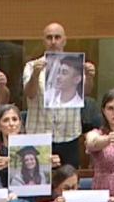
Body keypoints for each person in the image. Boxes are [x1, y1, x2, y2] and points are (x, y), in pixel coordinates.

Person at [23, 23, 96, 168]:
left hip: (69, 135)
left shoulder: (76, 65)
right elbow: (29, 94)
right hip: (39, 135)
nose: (54, 41)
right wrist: (36, 74)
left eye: (57, 37)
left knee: (69, 181)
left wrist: (90, 76)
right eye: (49, 38)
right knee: (39, 183)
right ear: (44, 41)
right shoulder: (32, 66)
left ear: (65, 40)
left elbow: (85, 92)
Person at [84, 89, 114, 196]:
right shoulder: (96, 133)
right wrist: (107, 139)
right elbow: (92, 143)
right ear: (104, 111)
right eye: (110, 108)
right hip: (104, 189)